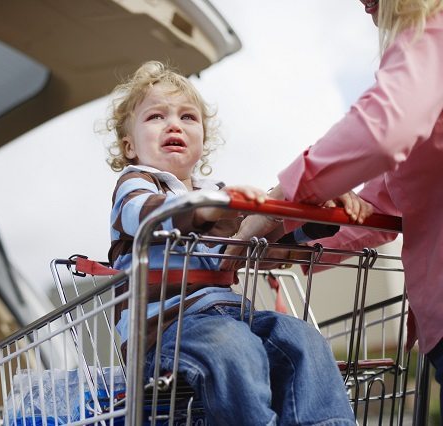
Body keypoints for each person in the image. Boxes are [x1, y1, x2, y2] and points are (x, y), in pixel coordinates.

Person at [104, 61, 357, 425]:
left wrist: (313, 220)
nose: (174, 124)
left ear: (203, 141)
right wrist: (206, 210)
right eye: (156, 117)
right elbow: (142, 215)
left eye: (188, 117)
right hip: (165, 333)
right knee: (233, 347)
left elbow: (261, 243)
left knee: (303, 341)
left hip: (233, 317)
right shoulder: (136, 185)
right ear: (129, 145)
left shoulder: (216, 196)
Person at [237, 0, 443, 412]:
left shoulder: (431, 31)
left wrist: (279, 199)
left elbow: (381, 131)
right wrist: (297, 238)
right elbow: (383, 205)